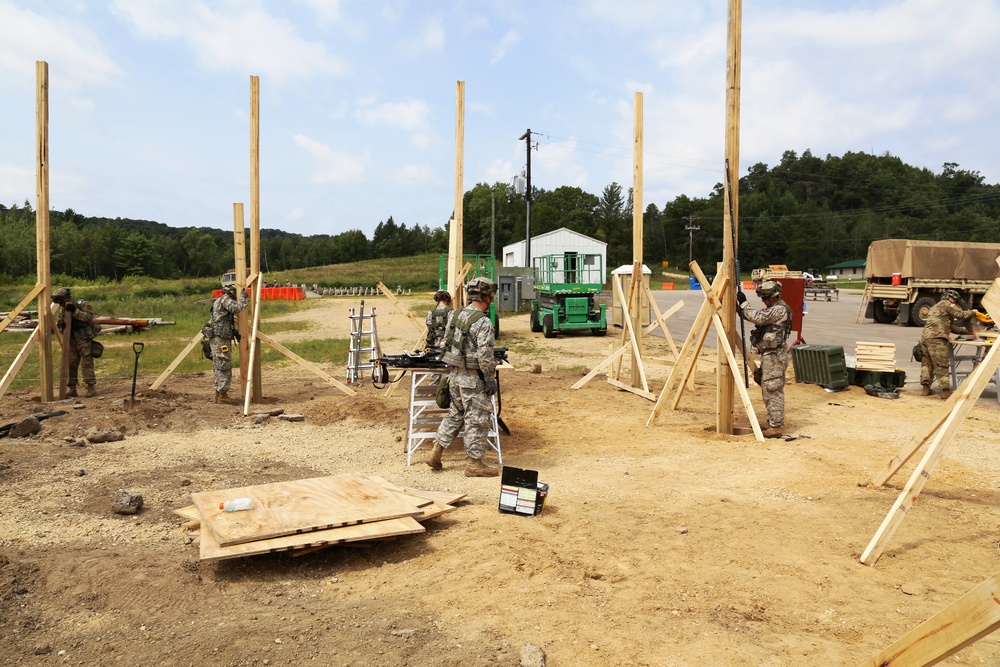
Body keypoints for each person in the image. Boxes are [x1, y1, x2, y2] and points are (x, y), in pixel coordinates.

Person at [425, 277, 499, 477]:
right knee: (477, 419)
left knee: (455, 415)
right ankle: (474, 463)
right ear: (487, 297)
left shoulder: (455, 315)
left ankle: (436, 453)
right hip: (472, 379)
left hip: (454, 377)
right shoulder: (482, 322)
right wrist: (490, 378)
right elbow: (485, 355)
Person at [737, 280, 793, 438]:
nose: (764, 300)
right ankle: (772, 421)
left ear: (775, 296)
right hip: (770, 354)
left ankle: (776, 425)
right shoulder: (773, 308)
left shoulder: (780, 309)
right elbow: (755, 317)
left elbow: (759, 318)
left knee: (772, 389)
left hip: (775, 356)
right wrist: (739, 308)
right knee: (768, 387)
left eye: (766, 298)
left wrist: (744, 303)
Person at [918, 289, 977, 399]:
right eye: (953, 299)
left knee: (927, 363)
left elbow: (949, 326)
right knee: (942, 364)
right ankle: (945, 391)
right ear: (948, 297)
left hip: (926, 338)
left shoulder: (935, 307)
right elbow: (960, 314)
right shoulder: (947, 304)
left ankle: (925, 389)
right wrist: (973, 312)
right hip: (937, 339)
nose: (954, 302)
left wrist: (966, 332)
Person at [51, 287, 101, 398]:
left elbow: (89, 317)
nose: (61, 305)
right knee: (71, 364)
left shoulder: (82, 304)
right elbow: (60, 323)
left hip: (84, 339)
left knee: (86, 363)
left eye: (62, 302)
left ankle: (90, 388)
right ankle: (72, 389)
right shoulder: (63, 309)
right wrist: (61, 326)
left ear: (67, 299)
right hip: (71, 340)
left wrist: (74, 311)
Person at [209, 284, 248, 404]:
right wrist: (243, 298)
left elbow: (223, 319)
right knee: (223, 365)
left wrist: (233, 331)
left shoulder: (219, 301)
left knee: (218, 365)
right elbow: (237, 308)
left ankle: (218, 394)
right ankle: (222, 395)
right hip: (220, 339)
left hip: (218, 338)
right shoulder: (225, 300)